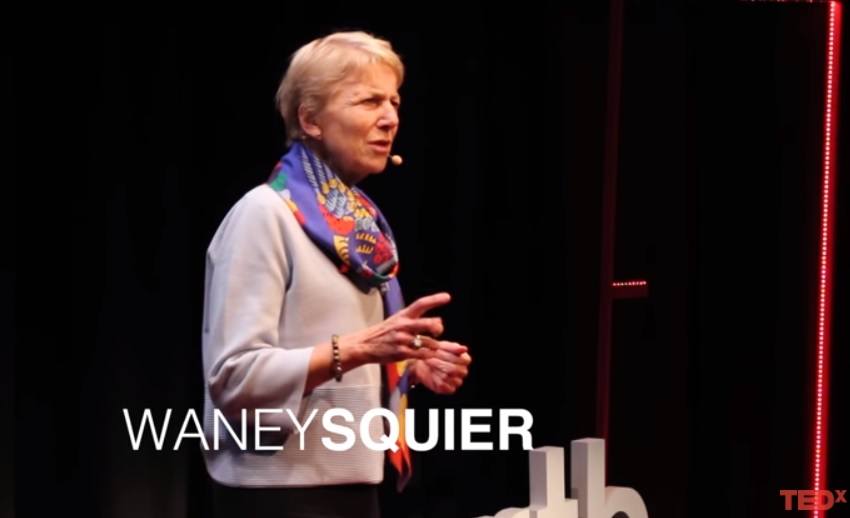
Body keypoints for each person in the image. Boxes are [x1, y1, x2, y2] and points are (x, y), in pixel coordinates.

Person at [200, 31, 472, 518]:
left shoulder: (359, 229)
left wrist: (404, 367)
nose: (390, 118)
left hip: (353, 484)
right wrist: (362, 348)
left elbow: (332, 353)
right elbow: (234, 377)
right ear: (310, 120)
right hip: (278, 495)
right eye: (369, 101)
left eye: (394, 101)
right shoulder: (264, 215)